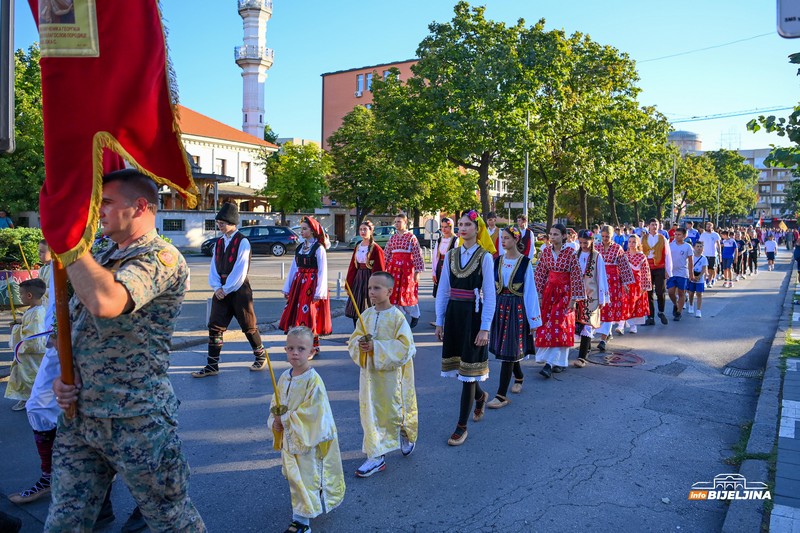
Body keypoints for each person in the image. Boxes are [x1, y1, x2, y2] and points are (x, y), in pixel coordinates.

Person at [49, 169, 204, 531]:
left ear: (139, 207)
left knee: (170, 519)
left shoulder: (162, 258)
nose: (95, 211)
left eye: (105, 202)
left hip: (136, 419)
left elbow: (106, 301)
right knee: (65, 521)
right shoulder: (102, 255)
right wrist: (63, 378)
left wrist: (71, 242)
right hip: (80, 414)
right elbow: (74, 329)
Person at [269, 326, 345, 533]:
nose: (295, 353)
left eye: (301, 349)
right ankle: (308, 505)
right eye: (291, 348)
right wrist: (275, 421)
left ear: (312, 352)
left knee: (305, 477)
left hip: (308, 441)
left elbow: (314, 413)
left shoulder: (313, 381)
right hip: (290, 438)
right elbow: (276, 403)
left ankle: (302, 522)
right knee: (295, 477)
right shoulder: (284, 376)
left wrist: (285, 419)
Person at [435, 210, 496, 446]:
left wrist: (485, 328)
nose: (462, 228)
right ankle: (480, 396)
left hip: (474, 316)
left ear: (477, 228)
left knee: (469, 373)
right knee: (463, 369)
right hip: (454, 315)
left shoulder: (485, 257)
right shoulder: (451, 255)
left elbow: (489, 295)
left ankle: (461, 426)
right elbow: (443, 290)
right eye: (460, 224)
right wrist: (440, 320)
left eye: (468, 224)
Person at [347, 272, 417, 477]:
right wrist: (361, 345)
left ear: (389, 291)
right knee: (371, 412)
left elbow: (406, 347)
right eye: (370, 288)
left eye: (377, 288)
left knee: (394, 410)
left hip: (392, 379)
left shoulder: (397, 317)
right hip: (369, 376)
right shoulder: (366, 315)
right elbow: (353, 341)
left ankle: (404, 433)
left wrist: (376, 347)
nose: (371, 292)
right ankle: (376, 455)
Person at [192, 202, 268, 378]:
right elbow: (213, 266)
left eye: (222, 223)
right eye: (218, 222)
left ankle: (260, 356)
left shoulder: (243, 242)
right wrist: (217, 287)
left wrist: (226, 289)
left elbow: (240, 269)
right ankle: (212, 365)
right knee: (215, 326)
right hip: (222, 288)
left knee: (248, 325)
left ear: (233, 223)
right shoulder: (219, 242)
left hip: (239, 289)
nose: (219, 225)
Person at [487, 226, 541, 407]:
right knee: (506, 349)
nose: (503, 241)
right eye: (502, 238)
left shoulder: (525, 263)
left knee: (509, 349)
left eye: (507, 238)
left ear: (516, 240)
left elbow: (530, 292)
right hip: (499, 306)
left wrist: (533, 319)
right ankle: (519, 376)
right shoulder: (497, 261)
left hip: (516, 309)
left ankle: (501, 395)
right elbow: (489, 288)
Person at [534, 224, 584, 378]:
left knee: (560, 324)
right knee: (550, 325)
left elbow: (576, 276)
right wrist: (539, 294)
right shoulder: (546, 251)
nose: (552, 237)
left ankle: (549, 364)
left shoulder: (570, 252)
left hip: (565, 293)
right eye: (551, 234)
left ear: (564, 236)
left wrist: (574, 299)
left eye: (556, 234)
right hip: (550, 293)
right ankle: (560, 362)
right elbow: (540, 273)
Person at [279, 216, 333, 355]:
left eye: (304, 229)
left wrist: (320, 292)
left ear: (313, 230)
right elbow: (293, 268)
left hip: (312, 285)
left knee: (309, 314)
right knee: (297, 315)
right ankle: (300, 347)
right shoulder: (300, 248)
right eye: (301, 229)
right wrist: (287, 287)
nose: (301, 231)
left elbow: (322, 270)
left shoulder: (318, 248)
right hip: (299, 285)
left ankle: (313, 347)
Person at [5, 278, 47, 410]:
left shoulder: (37, 313)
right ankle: (25, 398)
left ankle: (30, 399)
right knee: (22, 375)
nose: (20, 296)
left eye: (21, 293)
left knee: (31, 377)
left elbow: (34, 338)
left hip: (31, 355)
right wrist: (19, 325)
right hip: (25, 354)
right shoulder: (33, 310)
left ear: (29, 295)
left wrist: (16, 330)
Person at [573, 230, 609, 368]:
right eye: (580, 242)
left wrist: (602, 298)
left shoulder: (596, 256)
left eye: (586, 242)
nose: (583, 245)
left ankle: (582, 357)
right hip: (576, 295)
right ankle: (585, 348)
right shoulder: (575, 255)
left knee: (588, 324)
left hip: (592, 296)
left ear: (592, 241)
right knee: (579, 324)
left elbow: (601, 277)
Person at [595, 225, 634, 350]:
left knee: (609, 308)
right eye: (603, 236)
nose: (605, 239)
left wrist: (625, 283)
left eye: (608, 236)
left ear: (612, 236)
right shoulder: (596, 247)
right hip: (599, 280)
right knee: (599, 307)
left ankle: (603, 338)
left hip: (613, 282)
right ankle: (605, 332)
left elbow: (623, 266)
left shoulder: (618, 248)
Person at [384, 213, 425, 328]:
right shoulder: (393, 238)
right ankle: (399, 319)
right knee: (394, 294)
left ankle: (415, 314)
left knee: (407, 292)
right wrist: (384, 269)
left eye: (399, 221)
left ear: (405, 223)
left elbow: (417, 255)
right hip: (394, 270)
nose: (396, 224)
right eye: (395, 222)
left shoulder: (411, 237)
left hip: (407, 270)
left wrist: (417, 272)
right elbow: (386, 254)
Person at [345, 220, 385, 327]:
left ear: (371, 231)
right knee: (356, 307)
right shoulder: (358, 246)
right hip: (358, 279)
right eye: (361, 229)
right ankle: (357, 334)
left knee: (368, 308)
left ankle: (369, 334)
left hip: (369, 279)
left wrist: (378, 286)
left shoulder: (376, 248)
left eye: (365, 229)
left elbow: (380, 268)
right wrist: (349, 282)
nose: (362, 232)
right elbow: (352, 266)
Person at [641, 218, 672, 326]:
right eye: (652, 224)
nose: (654, 227)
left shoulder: (663, 239)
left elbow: (668, 255)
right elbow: (640, 254)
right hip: (647, 268)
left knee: (660, 291)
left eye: (656, 225)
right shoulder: (643, 238)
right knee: (648, 292)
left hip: (660, 267)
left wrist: (668, 270)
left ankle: (661, 311)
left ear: (659, 226)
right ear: (648, 226)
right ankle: (650, 317)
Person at [624, 234, 651, 334]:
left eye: (634, 242)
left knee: (635, 303)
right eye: (630, 242)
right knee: (625, 303)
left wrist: (645, 285)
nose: (631, 244)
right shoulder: (624, 255)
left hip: (637, 283)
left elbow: (645, 271)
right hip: (626, 282)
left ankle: (633, 325)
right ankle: (622, 324)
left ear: (638, 243)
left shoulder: (641, 256)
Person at [667, 228, 694, 321]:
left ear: (684, 236)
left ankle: (679, 312)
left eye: (679, 234)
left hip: (682, 273)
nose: (677, 236)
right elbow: (666, 259)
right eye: (676, 234)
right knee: (670, 292)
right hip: (672, 272)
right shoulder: (670, 245)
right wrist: (666, 271)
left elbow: (691, 261)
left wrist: (691, 274)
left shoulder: (688, 247)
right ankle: (676, 304)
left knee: (681, 293)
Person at [431, 217, 457, 298]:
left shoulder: (455, 240)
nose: (443, 229)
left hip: (450, 267)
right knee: (440, 289)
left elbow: (456, 257)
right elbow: (435, 257)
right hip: (440, 266)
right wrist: (434, 272)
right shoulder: (439, 240)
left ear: (451, 227)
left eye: (446, 227)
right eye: (442, 227)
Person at [687, 241, 708, 318]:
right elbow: (689, 266)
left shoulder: (704, 258)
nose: (699, 248)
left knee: (699, 293)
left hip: (700, 277)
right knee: (691, 292)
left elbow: (704, 268)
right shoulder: (691, 257)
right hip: (692, 276)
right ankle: (691, 305)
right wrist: (691, 275)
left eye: (701, 246)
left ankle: (698, 310)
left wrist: (699, 276)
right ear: (694, 247)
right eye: (698, 246)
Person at [698, 222, 721, 287]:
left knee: (711, 269)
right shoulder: (703, 235)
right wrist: (700, 251)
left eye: (709, 226)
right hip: (704, 254)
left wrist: (719, 253)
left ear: (712, 227)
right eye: (707, 226)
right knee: (705, 268)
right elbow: (701, 243)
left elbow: (718, 244)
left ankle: (710, 281)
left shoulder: (715, 234)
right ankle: (704, 281)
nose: (708, 227)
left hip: (713, 254)